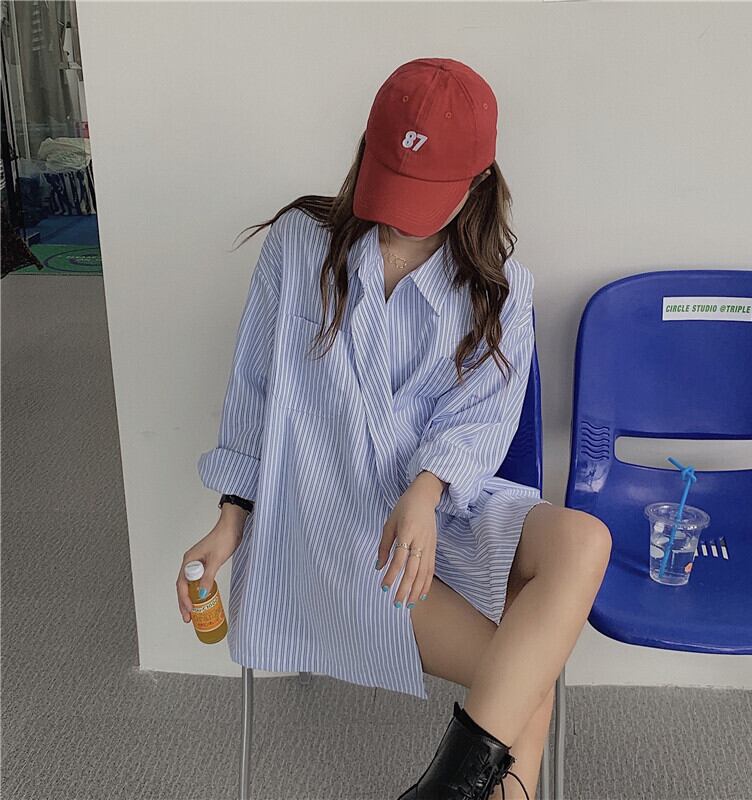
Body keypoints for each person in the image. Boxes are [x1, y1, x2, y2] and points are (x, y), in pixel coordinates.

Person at [176, 57, 612, 800]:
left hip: (443, 505)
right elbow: (254, 389)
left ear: (477, 181)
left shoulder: (502, 292)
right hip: (334, 526)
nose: (402, 215)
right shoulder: (299, 246)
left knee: (586, 540)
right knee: (522, 682)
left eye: (426, 192)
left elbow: (481, 421)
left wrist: (425, 490)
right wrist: (231, 517)